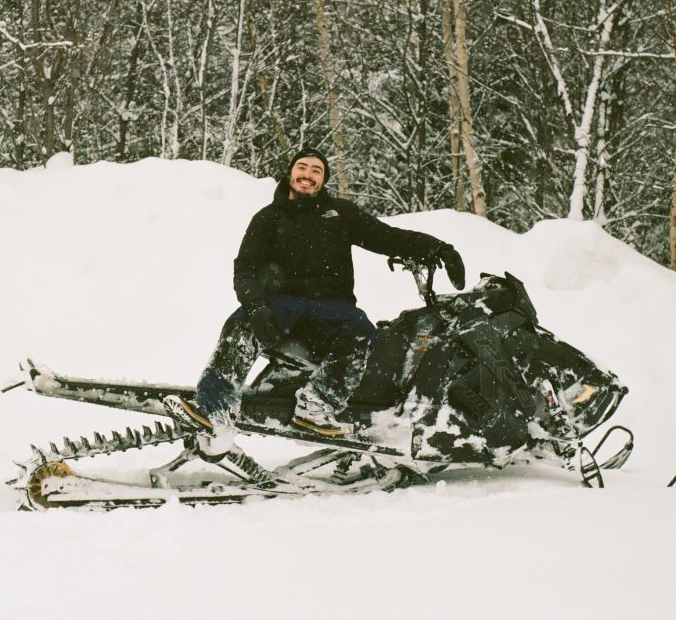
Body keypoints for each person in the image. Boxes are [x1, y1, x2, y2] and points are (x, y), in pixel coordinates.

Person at [166, 147, 465, 442]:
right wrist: (256, 306)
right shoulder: (268, 218)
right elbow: (246, 269)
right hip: (282, 303)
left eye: (316, 171)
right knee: (241, 323)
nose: (308, 175)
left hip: (333, 307)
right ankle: (214, 407)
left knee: (362, 332)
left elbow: (386, 237)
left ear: (323, 180)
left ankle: (317, 406)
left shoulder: (341, 214)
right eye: (302, 167)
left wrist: (437, 248)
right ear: (290, 173)